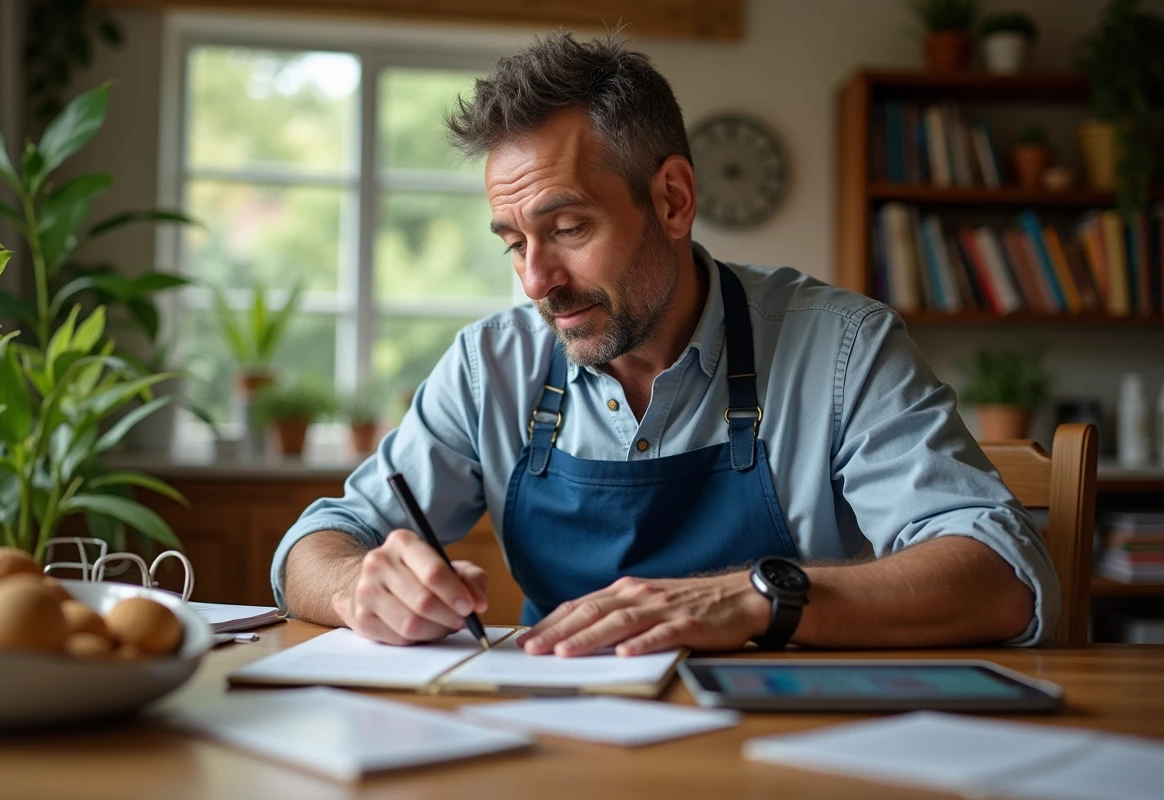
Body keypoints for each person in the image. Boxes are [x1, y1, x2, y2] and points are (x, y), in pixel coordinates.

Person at [272, 32, 1058, 658]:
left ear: (673, 200)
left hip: (793, 752)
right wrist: (353, 587)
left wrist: (754, 598)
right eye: (513, 242)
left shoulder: (843, 348)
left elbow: (1001, 575)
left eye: (568, 228)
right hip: (560, 743)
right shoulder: (490, 367)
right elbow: (318, 540)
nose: (536, 281)